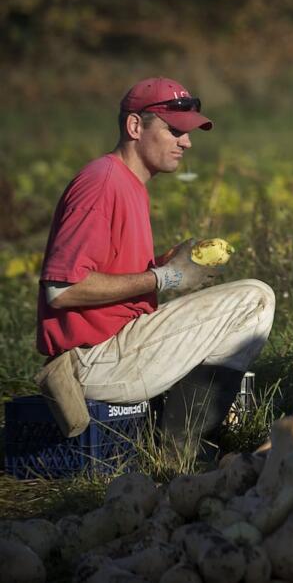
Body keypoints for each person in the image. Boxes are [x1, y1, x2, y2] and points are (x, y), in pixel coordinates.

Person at [34, 77, 275, 451]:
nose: (187, 142)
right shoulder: (101, 183)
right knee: (255, 299)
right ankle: (178, 448)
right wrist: (167, 276)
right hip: (93, 360)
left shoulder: (129, 184)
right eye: (175, 130)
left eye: (189, 132)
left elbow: (113, 274)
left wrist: (167, 264)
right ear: (134, 126)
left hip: (116, 346)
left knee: (242, 305)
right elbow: (62, 290)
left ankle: (177, 442)